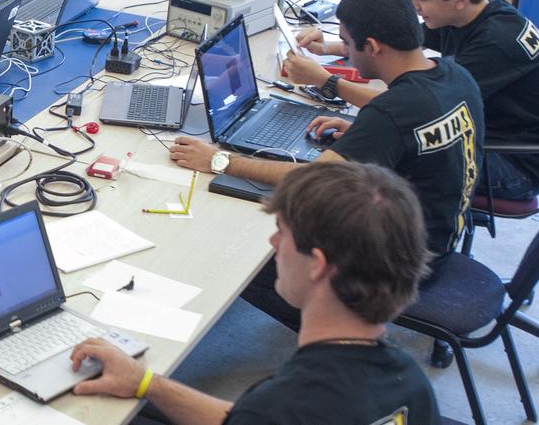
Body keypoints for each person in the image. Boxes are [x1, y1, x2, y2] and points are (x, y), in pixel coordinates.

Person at [68, 162, 439, 425]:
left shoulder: (284, 405)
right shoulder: (410, 381)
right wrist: (146, 383)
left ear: (318, 264)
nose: (273, 242)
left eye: (282, 231)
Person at [171, 0, 482, 260]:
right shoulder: (457, 76)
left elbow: (312, 180)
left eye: (346, 43)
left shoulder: (390, 114)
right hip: (443, 235)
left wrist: (221, 161)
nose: (343, 50)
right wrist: (365, 137)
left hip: (400, 262)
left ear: (372, 46)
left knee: (243, 237)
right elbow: (411, 133)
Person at [292, 0, 539, 200]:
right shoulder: (469, 10)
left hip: (510, 162)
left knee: (362, 179)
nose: (414, 5)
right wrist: (329, 47)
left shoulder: (495, 45)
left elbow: (413, 111)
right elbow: (396, 43)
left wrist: (326, 81)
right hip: (472, 132)